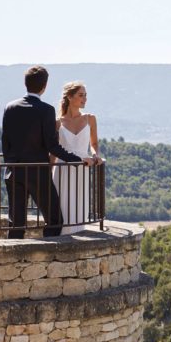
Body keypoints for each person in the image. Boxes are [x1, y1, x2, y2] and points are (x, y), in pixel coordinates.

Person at [2, 65, 94, 238]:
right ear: (44, 86)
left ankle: (16, 258)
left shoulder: (10, 107)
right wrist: (77, 160)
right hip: (38, 173)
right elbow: (53, 146)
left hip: (14, 172)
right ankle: (47, 254)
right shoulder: (46, 110)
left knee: (16, 223)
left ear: (26, 84)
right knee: (54, 220)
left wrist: (10, 163)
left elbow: (5, 141)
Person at [53, 81, 102, 234]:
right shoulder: (57, 123)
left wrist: (95, 155)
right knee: (61, 206)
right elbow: (53, 151)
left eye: (86, 95)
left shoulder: (90, 119)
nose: (85, 99)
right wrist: (46, 173)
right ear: (69, 97)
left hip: (83, 167)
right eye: (81, 95)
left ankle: (77, 236)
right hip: (62, 169)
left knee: (78, 205)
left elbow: (94, 143)